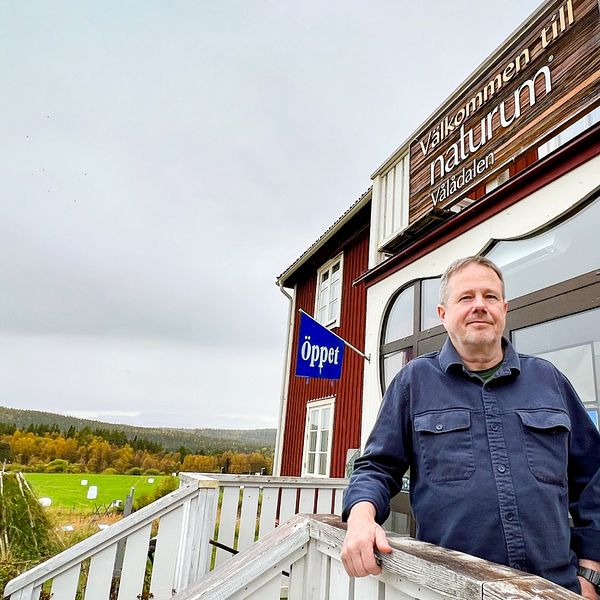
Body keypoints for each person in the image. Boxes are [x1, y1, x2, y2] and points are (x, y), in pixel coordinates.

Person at [341, 256, 600, 599]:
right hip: (451, 588)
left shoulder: (549, 380)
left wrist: (590, 572)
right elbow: (377, 467)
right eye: (466, 298)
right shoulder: (414, 382)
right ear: (443, 314)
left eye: (490, 297)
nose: (480, 306)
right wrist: (360, 518)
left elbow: (594, 476)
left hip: (554, 589)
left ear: (504, 309)